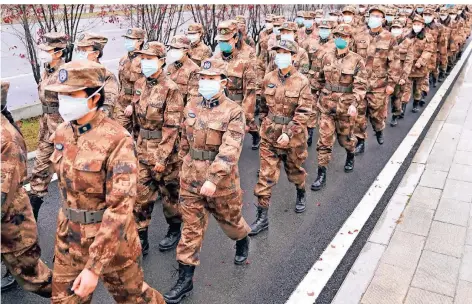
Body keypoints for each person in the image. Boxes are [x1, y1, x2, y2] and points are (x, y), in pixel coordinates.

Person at [45, 60, 165, 303]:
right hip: (69, 238)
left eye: (71, 95)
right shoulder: (63, 132)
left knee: (134, 298)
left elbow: (120, 207)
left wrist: (94, 267)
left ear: (94, 98)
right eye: (61, 95)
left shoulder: (117, 140)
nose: (64, 102)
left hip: (112, 243)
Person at [164, 58, 250, 303]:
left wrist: (213, 178)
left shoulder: (234, 111)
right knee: (190, 230)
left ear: (223, 83)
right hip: (191, 180)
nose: (206, 82)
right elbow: (184, 140)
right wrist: (181, 165)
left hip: (221, 183)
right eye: (203, 78)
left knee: (231, 223)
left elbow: (231, 148)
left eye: (211, 79)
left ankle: (242, 240)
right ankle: (185, 279)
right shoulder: (191, 104)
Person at [250, 39, 313, 236]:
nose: (280, 56)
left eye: (285, 53)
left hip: (292, 138)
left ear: (294, 57)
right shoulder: (268, 78)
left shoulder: (302, 82)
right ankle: (262, 217)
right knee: (265, 176)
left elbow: (303, 112)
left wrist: (288, 132)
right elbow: (261, 105)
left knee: (294, 171)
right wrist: (264, 124)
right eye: (278, 52)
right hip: (269, 136)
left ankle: (301, 191)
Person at [132, 42, 185, 254]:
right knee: (140, 197)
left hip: (165, 155)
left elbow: (172, 127)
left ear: (162, 62)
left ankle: (174, 229)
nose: (145, 63)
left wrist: (161, 159)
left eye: (150, 59)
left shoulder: (171, 89)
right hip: (142, 150)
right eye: (143, 58)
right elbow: (136, 120)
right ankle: (141, 239)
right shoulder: (140, 84)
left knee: (169, 196)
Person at [1, 80, 53, 297]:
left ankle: (73, 296)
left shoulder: (6, 139)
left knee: (37, 280)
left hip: (13, 224)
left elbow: (3, 193)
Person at [311, 24, 368, 191]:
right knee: (324, 141)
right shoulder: (326, 57)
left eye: (344, 37)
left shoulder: (357, 60)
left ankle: (350, 154)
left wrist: (354, 103)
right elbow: (319, 79)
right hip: (326, 106)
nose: (340, 40)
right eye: (337, 37)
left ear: (349, 39)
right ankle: (321, 173)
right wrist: (312, 95)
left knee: (345, 140)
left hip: (345, 107)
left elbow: (361, 85)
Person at [29, 32, 68, 221]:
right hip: (46, 128)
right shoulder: (47, 70)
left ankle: (72, 219)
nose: (43, 53)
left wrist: (62, 131)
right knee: (39, 171)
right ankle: (30, 219)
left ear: (59, 52)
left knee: (66, 174)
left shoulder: (65, 73)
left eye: (48, 50)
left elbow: (70, 106)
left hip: (62, 131)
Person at [352, 6, 400, 154]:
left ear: (383, 20)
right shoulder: (359, 36)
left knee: (376, 115)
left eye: (378, 16)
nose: (375, 18)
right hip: (360, 84)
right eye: (372, 15)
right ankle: (360, 141)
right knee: (359, 115)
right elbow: (352, 58)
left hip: (379, 85)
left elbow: (395, 62)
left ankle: (379, 129)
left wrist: (391, 83)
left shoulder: (389, 38)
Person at [213, 20, 259, 150]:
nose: (223, 44)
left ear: (235, 38)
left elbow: (250, 92)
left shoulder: (245, 60)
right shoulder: (215, 59)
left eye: (226, 41)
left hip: (238, 105)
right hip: (220, 107)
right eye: (221, 41)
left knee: (232, 146)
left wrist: (245, 117)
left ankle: (255, 133)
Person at [73, 32, 118, 117]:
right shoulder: (75, 74)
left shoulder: (107, 76)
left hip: (95, 125)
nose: (80, 54)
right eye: (78, 50)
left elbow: (106, 109)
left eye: (84, 50)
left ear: (96, 53)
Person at [307, 20, 336, 146]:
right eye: (321, 28)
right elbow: (307, 61)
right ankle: (310, 133)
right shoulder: (312, 43)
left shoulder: (335, 45)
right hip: (313, 81)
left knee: (326, 110)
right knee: (311, 108)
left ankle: (326, 137)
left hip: (328, 82)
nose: (323, 31)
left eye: (326, 28)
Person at [116, 28, 145, 134]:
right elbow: (121, 83)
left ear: (140, 41)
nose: (127, 41)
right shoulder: (123, 59)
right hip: (122, 103)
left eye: (131, 39)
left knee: (139, 137)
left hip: (138, 104)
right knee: (120, 134)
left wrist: (133, 104)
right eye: (127, 39)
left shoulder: (144, 61)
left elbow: (144, 86)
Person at [404, 15, 435, 112]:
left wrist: (420, 62)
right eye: (414, 24)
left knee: (418, 88)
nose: (416, 26)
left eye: (418, 24)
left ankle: (416, 104)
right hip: (408, 68)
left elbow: (428, 51)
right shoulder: (407, 35)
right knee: (405, 90)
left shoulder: (428, 37)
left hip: (420, 68)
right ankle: (401, 110)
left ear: (422, 25)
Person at [390, 20, 415, 126]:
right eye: (393, 28)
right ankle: (380, 123)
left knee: (396, 97)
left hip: (398, 75)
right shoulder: (385, 40)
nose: (395, 30)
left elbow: (408, 62)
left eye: (398, 28)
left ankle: (395, 115)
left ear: (402, 29)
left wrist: (404, 77)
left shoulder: (408, 43)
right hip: (385, 75)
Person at [166, 35, 200, 106]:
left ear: (186, 50)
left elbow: (193, 98)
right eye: (171, 48)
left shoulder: (194, 69)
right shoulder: (170, 66)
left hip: (180, 111)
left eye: (176, 48)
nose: (172, 50)